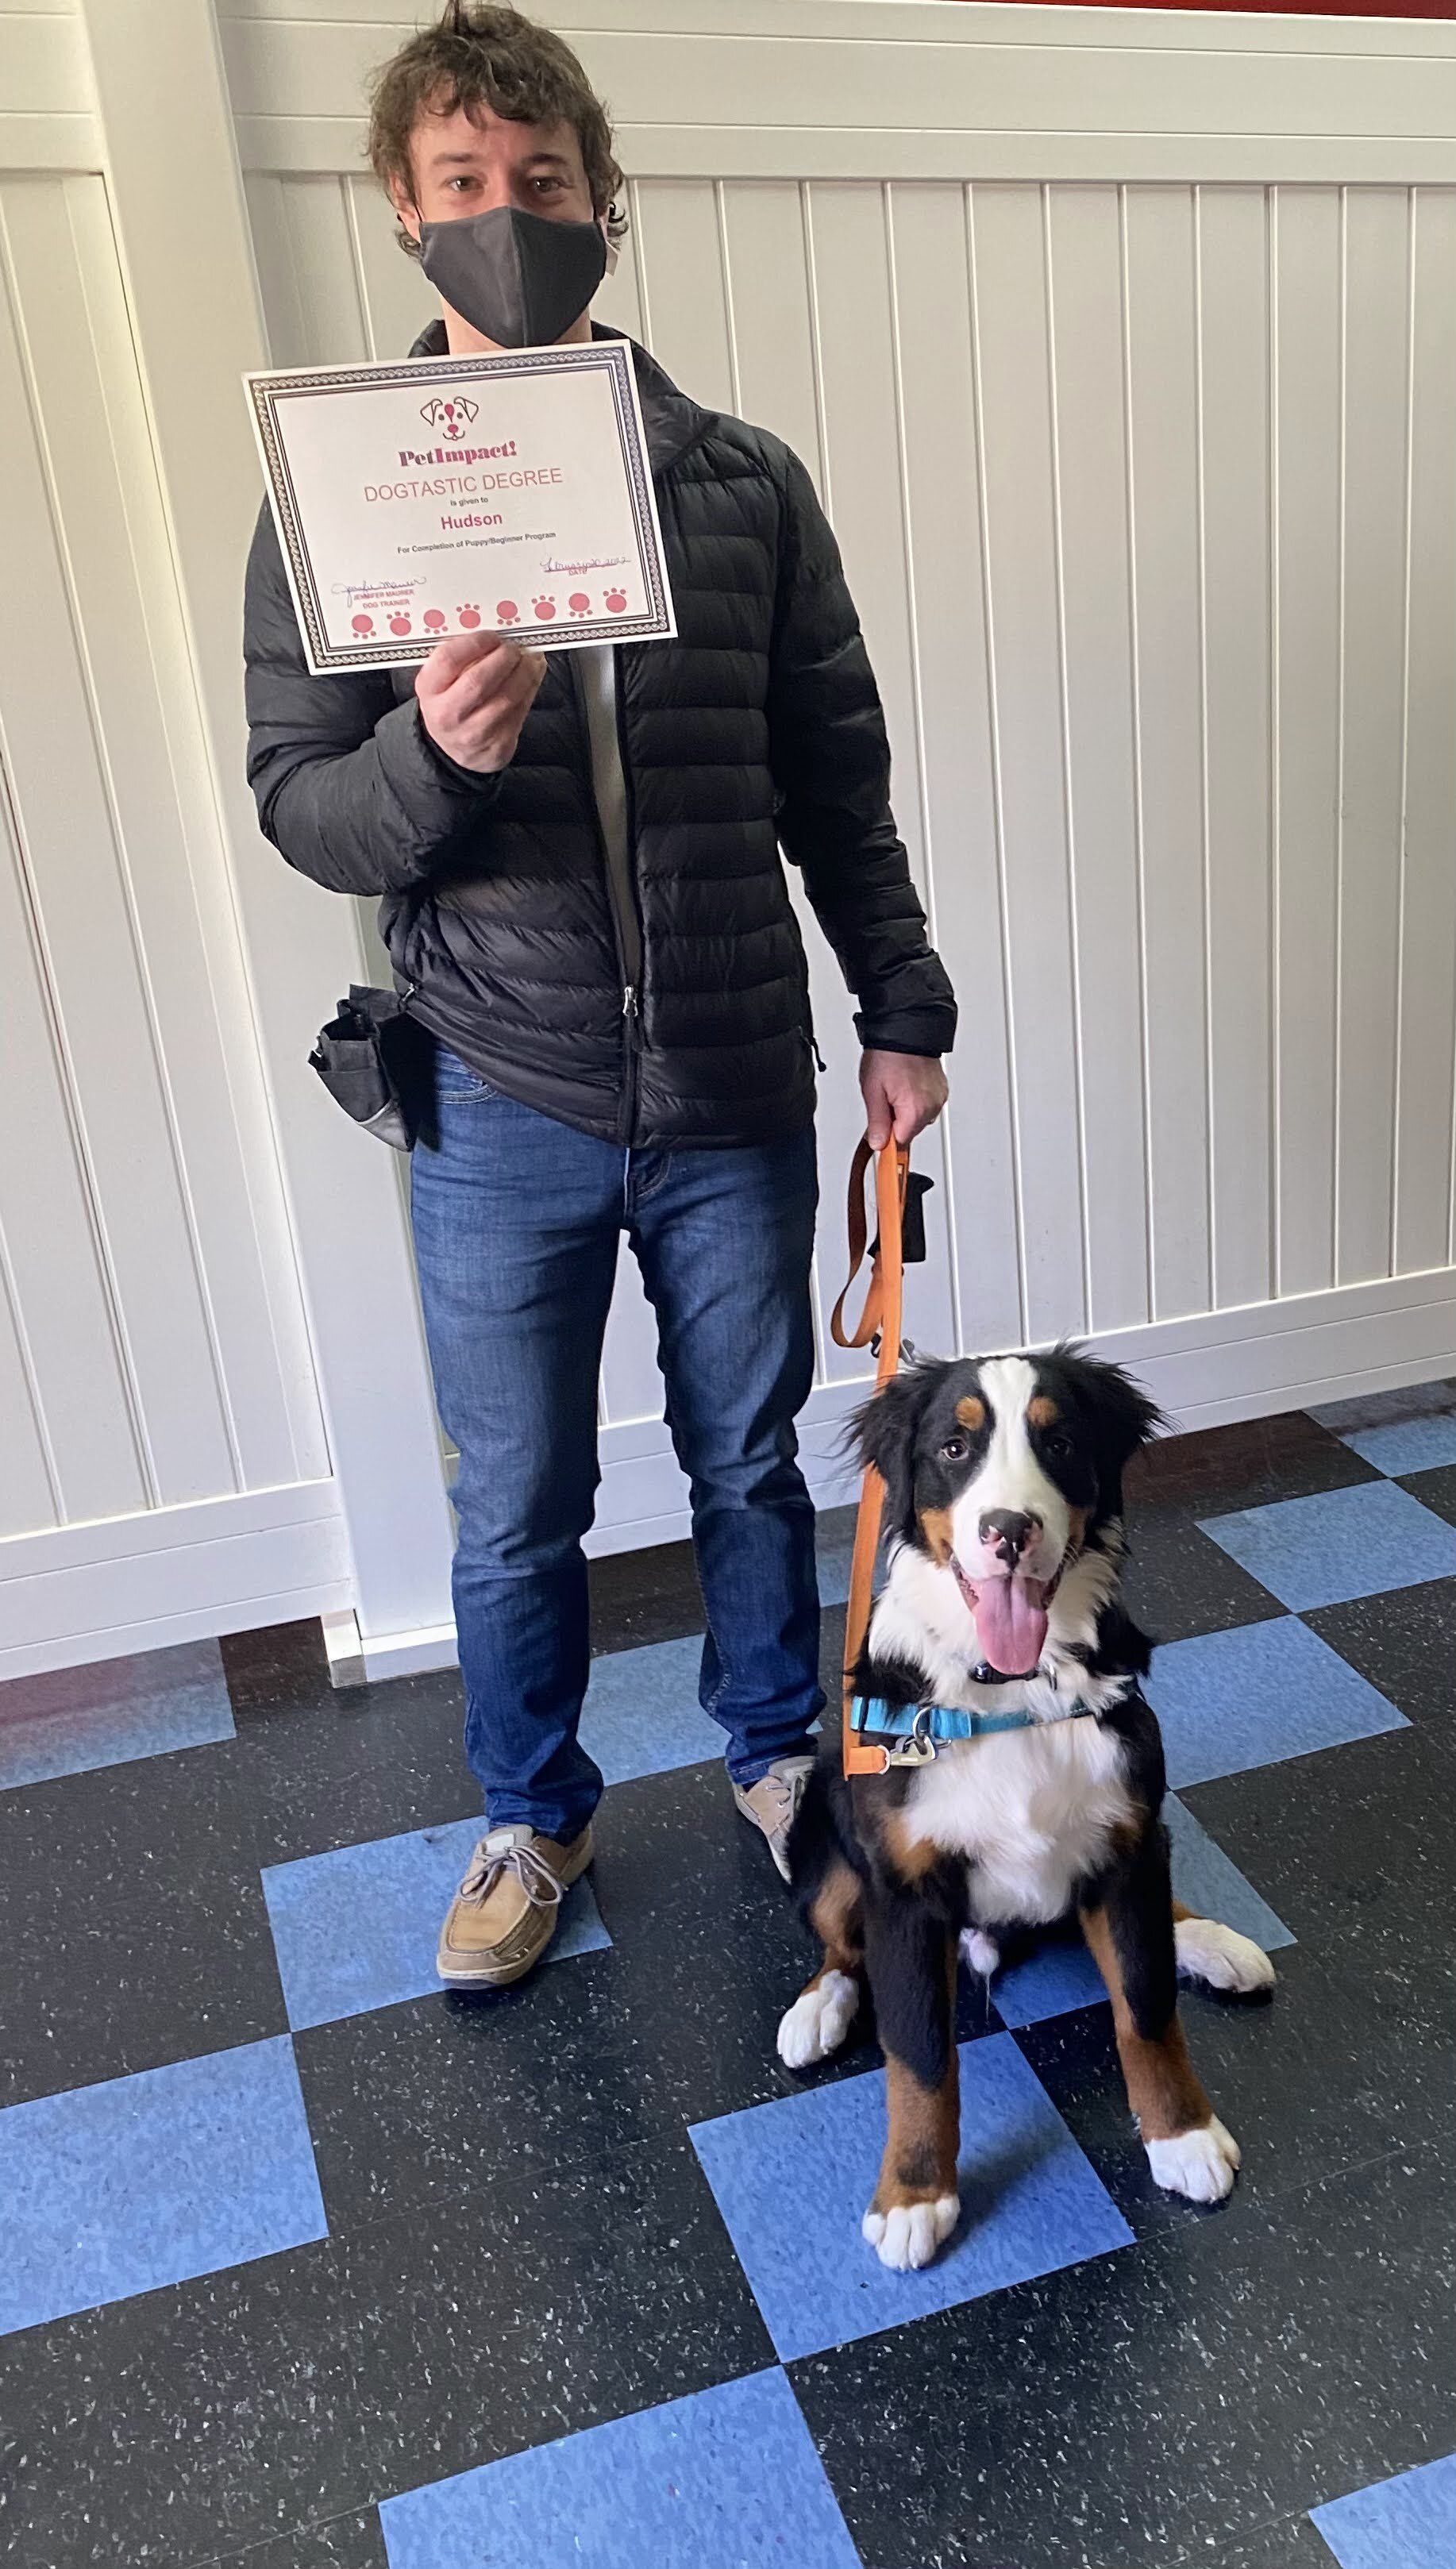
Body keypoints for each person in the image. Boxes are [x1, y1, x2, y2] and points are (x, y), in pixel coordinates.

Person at [243, 1, 956, 1992]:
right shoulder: (338, 502)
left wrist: (903, 1008)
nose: (504, 215)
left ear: (602, 203)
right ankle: (528, 1813)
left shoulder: (741, 487)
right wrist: (436, 766)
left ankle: (769, 1759)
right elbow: (307, 808)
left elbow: (836, 773)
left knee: (747, 1459)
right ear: (401, 210)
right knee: (518, 1503)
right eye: (461, 185)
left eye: (539, 184)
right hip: (491, 1089)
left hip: (732, 1078)